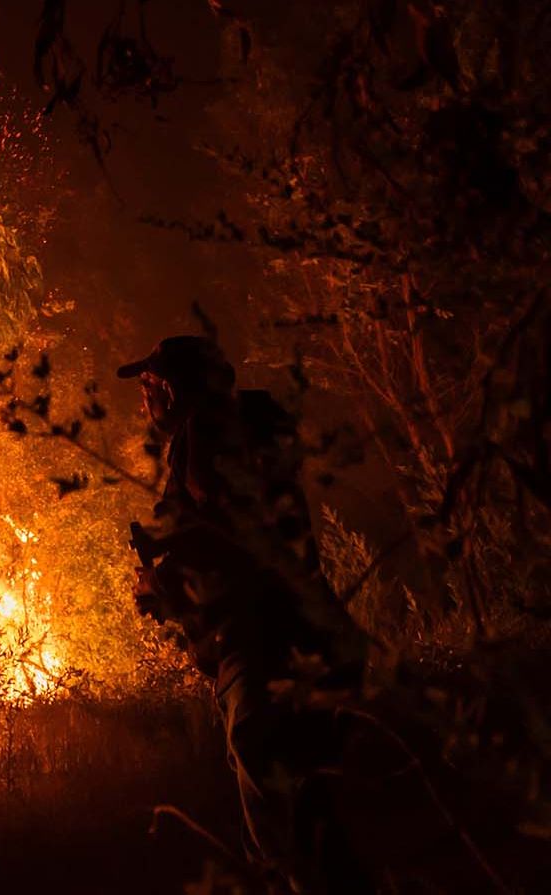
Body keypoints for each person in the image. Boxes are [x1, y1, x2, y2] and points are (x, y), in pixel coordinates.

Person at [120, 335, 373, 894]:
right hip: (306, 640)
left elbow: (229, 540)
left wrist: (161, 585)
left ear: (169, 390)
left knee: (288, 838)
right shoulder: (240, 431)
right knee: (312, 823)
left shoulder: (206, 434)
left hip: (261, 647)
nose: (144, 405)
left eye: (147, 390)